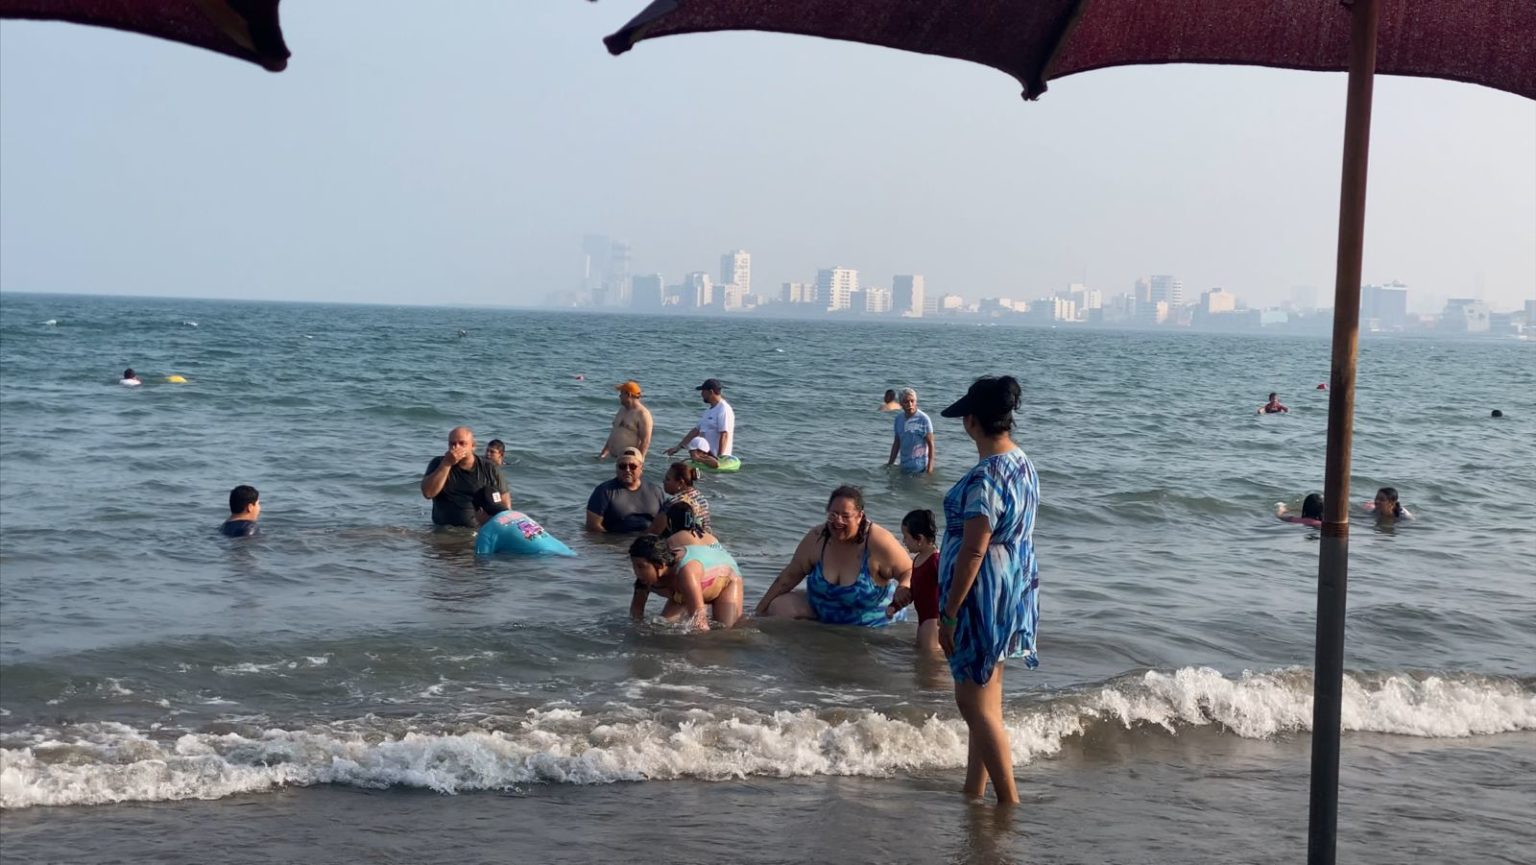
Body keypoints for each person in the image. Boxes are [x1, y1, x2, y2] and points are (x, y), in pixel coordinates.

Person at [935, 375, 1040, 805]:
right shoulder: (1022, 462)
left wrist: (949, 612)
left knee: (973, 704)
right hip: (1013, 586)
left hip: (981, 594)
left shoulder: (986, 477)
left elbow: (974, 550)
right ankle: (973, 792)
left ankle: (1008, 803)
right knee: (987, 700)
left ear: (972, 422)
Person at [755, 485, 913, 627]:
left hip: (873, 624)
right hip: (825, 615)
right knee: (779, 606)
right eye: (833, 514)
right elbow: (788, 577)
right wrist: (759, 612)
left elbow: (909, 570)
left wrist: (904, 587)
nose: (838, 521)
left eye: (845, 516)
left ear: (860, 516)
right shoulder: (817, 537)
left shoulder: (878, 540)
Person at [628, 521, 743, 631]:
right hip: (684, 590)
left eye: (641, 567)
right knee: (660, 628)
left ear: (660, 565)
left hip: (725, 579)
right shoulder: (644, 580)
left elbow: (700, 622)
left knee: (725, 632)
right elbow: (636, 613)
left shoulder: (686, 572)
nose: (636, 572)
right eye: (634, 566)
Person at [420, 426, 507, 528]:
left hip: (477, 531)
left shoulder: (489, 468)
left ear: (473, 446)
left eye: (462, 443)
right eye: (452, 444)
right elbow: (428, 493)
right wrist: (446, 464)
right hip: (443, 531)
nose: (456, 447)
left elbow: (505, 505)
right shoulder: (438, 463)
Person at [586, 446, 665, 533]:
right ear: (616, 468)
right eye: (622, 466)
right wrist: (611, 541)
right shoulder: (604, 491)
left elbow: (663, 522)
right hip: (617, 539)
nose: (627, 470)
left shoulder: (656, 491)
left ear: (641, 468)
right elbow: (593, 526)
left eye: (632, 466)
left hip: (648, 539)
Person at [902, 509, 942, 652]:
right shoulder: (918, 559)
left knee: (931, 660)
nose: (904, 541)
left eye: (906, 537)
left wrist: (948, 619)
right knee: (921, 659)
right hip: (923, 619)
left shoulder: (936, 560)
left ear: (919, 538)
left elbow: (948, 588)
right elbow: (916, 590)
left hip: (933, 620)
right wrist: (897, 604)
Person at [666, 378, 735, 459]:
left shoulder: (723, 409)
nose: (701, 394)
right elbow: (695, 431)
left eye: (703, 391)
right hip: (705, 457)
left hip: (717, 458)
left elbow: (724, 434)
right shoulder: (708, 411)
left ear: (711, 392)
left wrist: (720, 458)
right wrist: (677, 448)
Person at [649, 461, 711, 535]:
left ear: (680, 483)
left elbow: (654, 531)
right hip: (704, 539)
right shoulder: (701, 499)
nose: (664, 482)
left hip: (680, 540)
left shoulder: (674, 503)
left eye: (667, 479)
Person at [599, 380, 654, 460]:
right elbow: (614, 433)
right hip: (611, 457)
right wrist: (603, 453)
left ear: (629, 394)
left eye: (621, 393)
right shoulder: (622, 410)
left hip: (627, 460)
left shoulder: (643, 414)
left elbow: (645, 441)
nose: (619, 396)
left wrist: (639, 461)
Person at [887, 388, 935, 475]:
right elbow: (897, 443)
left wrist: (929, 471)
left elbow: (931, 445)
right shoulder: (898, 419)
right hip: (904, 466)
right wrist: (890, 464)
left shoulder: (924, 419)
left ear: (916, 402)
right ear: (901, 404)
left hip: (920, 469)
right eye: (906, 402)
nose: (910, 404)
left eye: (912, 401)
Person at [484, 439, 512, 507]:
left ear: (501, 454)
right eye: (487, 451)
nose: (488, 454)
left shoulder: (506, 468)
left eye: (492, 452)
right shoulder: (482, 464)